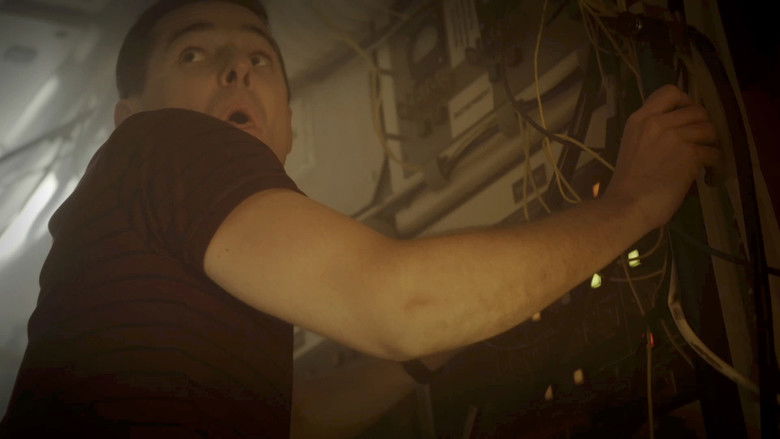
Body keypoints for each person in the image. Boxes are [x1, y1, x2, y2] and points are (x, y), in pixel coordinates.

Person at [0, 0, 720, 437]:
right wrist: (633, 201)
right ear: (130, 114)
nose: (237, 67)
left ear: (288, 122)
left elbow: (295, 420)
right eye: (194, 51)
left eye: (260, 56)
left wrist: (427, 355)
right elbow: (398, 304)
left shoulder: (198, 269)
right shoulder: (158, 142)